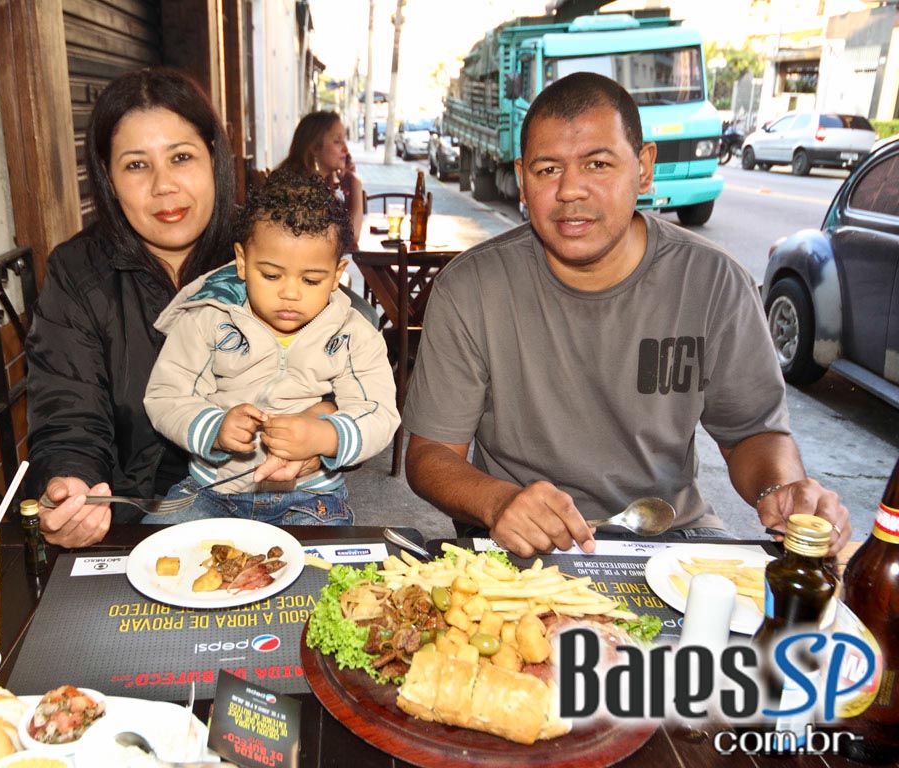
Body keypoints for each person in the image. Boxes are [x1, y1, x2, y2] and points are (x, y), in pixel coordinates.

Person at [402, 72, 851, 558]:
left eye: (597, 163)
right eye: (548, 169)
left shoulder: (713, 281)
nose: (571, 190)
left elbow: (752, 433)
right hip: (520, 544)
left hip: (671, 537)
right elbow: (430, 455)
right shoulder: (472, 287)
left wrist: (781, 491)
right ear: (522, 181)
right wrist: (498, 501)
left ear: (643, 167)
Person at [25, 67, 239, 548]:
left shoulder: (265, 249)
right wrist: (71, 482)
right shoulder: (77, 272)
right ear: (108, 177)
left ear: (213, 160)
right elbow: (67, 414)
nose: (164, 186)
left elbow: (346, 347)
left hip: (267, 503)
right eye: (137, 165)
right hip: (134, 520)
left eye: (181, 157)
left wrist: (322, 421)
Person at [141, 168, 400, 524]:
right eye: (271, 275)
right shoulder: (208, 319)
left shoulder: (353, 336)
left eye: (311, 279)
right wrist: (214, 429)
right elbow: (165, 395)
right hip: (211, 492)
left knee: (327, 575)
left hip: (310, 497)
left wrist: (325, 435)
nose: (290, 293)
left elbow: (379, 413)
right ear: (243, 262)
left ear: (338, 273)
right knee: (154, 553)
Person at [278, 111, 364, 248]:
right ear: (314, 148)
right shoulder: (301, 188)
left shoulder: (319, 184)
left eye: (344, 141)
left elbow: (342, 228)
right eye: (337, 141)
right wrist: (356, 185)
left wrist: (349, 194)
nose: (346, 149)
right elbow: (350, 236)